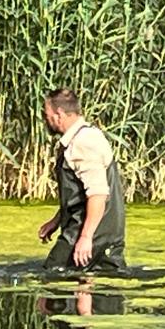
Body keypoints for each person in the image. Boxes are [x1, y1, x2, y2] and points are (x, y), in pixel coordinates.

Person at [37, 88, 127, 272]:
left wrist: (86, 238)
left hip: (88, 233)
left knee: (51, 276)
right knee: (106, 289)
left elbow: (98, 194)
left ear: (59, 114)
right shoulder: (83, 136)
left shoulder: (83, 142)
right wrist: (57, 220)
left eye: (46, 114)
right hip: (105, 235)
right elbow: (79, 193)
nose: (45, 118)